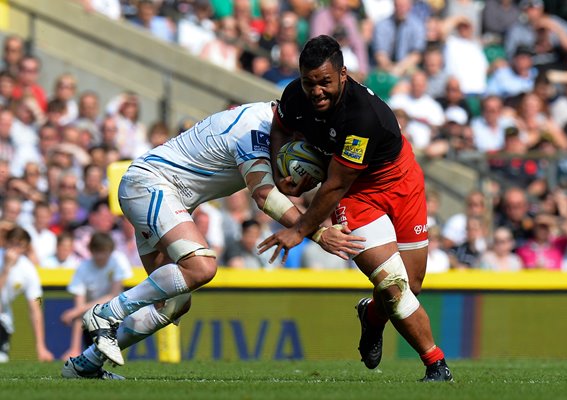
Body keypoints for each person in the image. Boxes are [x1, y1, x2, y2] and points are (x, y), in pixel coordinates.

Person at [61, 101, 363, 379]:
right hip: (151, 184)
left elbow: (276, 183)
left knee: (173, 305)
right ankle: (106, 313)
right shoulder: (254, 130)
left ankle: (87, 365)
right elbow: (263, 194)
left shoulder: (268, 125)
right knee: (201, 267)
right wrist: (317, 232)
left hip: (156, 190)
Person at [258, 35, 453, 382]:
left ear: (343, 75)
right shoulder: (294, 95)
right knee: (393, 285)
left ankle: (372, 317)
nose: (316, 91)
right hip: (356, 198)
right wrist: (278, 170)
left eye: (324, 82)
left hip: (400, 180)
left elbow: (334, 184)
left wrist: (298, 230)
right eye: (309, 82)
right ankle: (436, 364)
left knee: (412, 285)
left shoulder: (361, 117)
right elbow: (279, 129)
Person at [60, 232, 132, 361]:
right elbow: (79, 310)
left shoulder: (118, 260)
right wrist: (74, 348)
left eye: (104, 251)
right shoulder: (82, 268)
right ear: (91, 250)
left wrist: (75, 311)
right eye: (97, 251)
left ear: (110, 251)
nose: (101, 256)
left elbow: (113, 295)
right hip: (91, 319)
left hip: (117, 317)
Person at [0, 226, 54, 363]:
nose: (14, 248)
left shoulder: (28, 270)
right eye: (12, 243)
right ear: (6, 242)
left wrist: (40, 347)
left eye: (19, 245)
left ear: (25, 248)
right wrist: (6, 268)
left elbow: (35, 308)